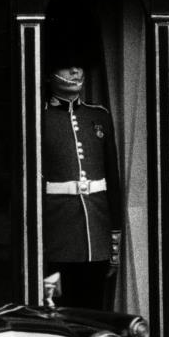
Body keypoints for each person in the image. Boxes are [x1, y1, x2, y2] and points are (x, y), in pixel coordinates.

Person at [41, 65, 122, 309]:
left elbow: (112, 179)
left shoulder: (98, 116)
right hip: (59, 237)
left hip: (97, 235)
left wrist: (113, 236)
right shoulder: (40, 117)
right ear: (49, 75)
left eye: (78, 68)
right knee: (61, 308)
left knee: (94, 308)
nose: (76, 73)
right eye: (67, 68)